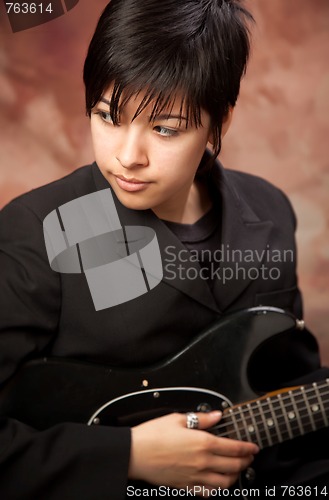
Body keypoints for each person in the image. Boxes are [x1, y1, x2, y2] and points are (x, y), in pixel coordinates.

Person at [0, 0, 328, 498]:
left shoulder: (270, 210)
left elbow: (287, 386)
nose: (127, 157)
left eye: (165, 129)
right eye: (108, 117)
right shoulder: (34, 231)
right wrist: (128, 456)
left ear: (221, 121)